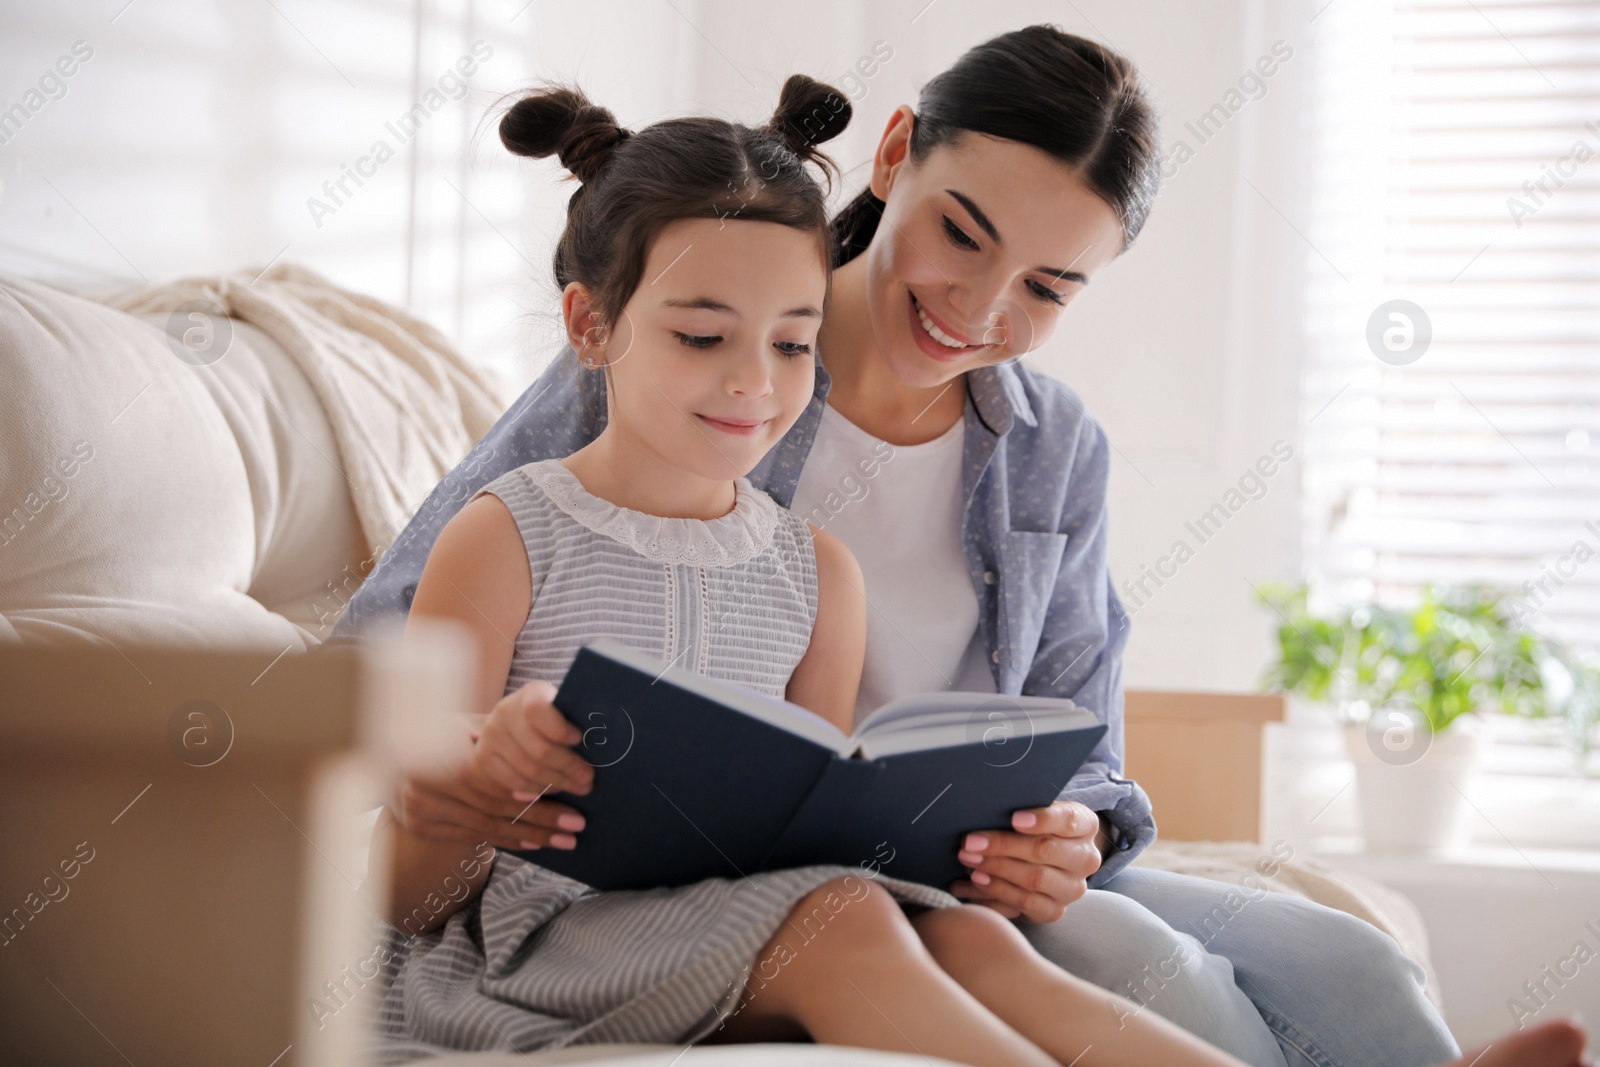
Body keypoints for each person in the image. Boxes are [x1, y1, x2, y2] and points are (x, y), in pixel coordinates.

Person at [340, 25, 1583, 1067]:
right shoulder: (681, 363)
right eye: (963, 232)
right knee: (1150, 966)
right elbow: (396, 658)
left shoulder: (1046, 447)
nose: (983, 307)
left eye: (1048, 287)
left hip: (953, 859)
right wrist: (466, 763)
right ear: (893, 155)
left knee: (1349, 957)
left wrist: (1074, 835)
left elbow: (1081, 733)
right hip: (711, 879)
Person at [373, 73, 1267, 1067]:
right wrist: (477, 788)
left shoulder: (817, 575)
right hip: (529, 946)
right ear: (591, 326)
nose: (754, 380)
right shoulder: (505, 536)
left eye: (794, 343)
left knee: (962, 932)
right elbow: (409, 894)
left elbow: (816, 833)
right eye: (702, 336)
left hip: (730, 922)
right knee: (839, 919)